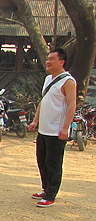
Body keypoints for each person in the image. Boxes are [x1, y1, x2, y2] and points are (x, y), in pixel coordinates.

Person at [28, 48, 77, 208]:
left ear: (61, 61)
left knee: (53, 162)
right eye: (47, 59)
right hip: (44, 128)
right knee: (42, 160)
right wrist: (35, 121)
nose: (48, 62)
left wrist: (65, 127)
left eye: (52, 59)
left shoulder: (68, 81)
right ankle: (45, 188)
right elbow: (43, 101)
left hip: (57, 130)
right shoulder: (48, 78)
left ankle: (51, 194)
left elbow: (71, 104)